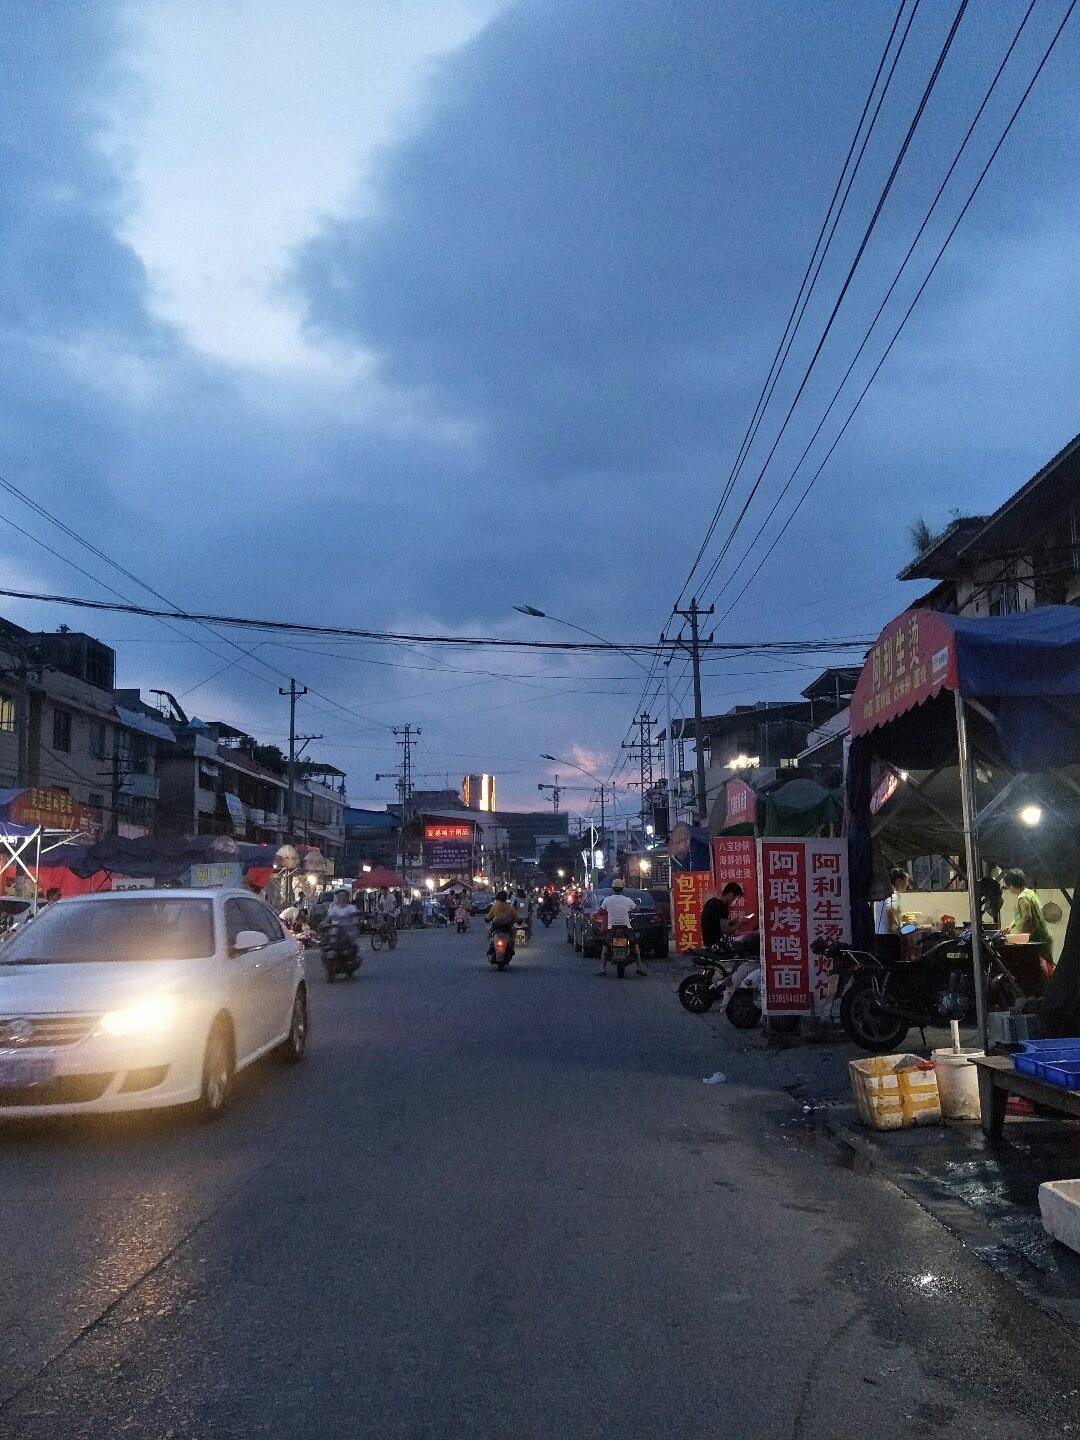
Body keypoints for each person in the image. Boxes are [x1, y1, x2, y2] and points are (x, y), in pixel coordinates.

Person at [1004, 867, 1054, 971]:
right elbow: (1022, 915)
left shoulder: (1022, 898)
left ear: (1011, 885)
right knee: (1047, 971)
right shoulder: (1029, 892)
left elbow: (1027, 917)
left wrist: (1020, 939)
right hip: (1044, 937)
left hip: (1037, 940)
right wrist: (1011, 926)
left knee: (1041, 973)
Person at [597, 877, 647, 976]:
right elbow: (636, 909)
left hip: (612, 928)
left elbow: (600, 911)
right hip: (626, 928)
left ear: (613, 889)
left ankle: (602, 969)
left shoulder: (607, 900)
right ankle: (639, 967)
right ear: (622, 889)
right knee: (636, 947)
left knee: (605, 949)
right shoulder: (627, 900)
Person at [701, 882, 743, 949]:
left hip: (708, 942)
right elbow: (727, 931)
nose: (735, 903)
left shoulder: (711, 901)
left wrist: (735, 921)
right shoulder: (721, 906)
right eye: (736, 899)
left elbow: (717, 924)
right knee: (747, 940)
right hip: (717, 944)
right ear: (731, 894)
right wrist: (740, 923)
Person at [874, 868, 911, 935]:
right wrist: (894, 929)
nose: (907, 884)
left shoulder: (883, 893)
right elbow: (890, 910)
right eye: (906, 881)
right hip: (888, 936)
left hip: (879, 933)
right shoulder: (893, 894)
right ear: (899, 881)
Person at [486, 890, 519, 961]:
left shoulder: (494, 907)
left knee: (488, 930)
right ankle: (511, 946)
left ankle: (491, 946)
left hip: (497, 929)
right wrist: (519, 921)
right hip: (506, 929)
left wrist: (487, 919)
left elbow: (488, 918)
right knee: (514, 930)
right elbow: (517, 918)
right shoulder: (510, 908)